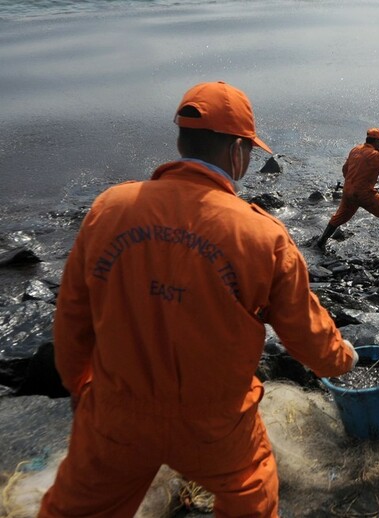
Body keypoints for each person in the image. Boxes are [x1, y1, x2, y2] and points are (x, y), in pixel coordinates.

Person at [39, 81, 358, 518]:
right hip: (214, 426)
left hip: (117, 415)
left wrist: (79, 385)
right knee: (252, 494)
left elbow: (73, 315)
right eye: (248, 151)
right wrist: (342, 360)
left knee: (72, 510)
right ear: (237, 152)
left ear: (180, 141)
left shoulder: (110, 207)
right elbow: (305, 334)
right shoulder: (262, 235)